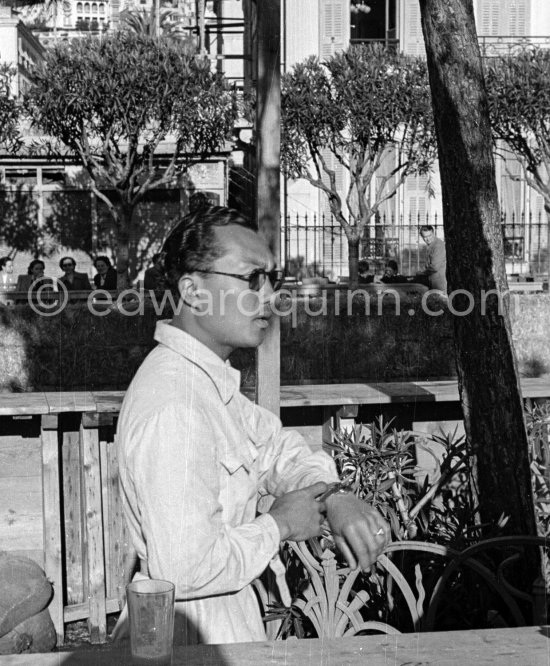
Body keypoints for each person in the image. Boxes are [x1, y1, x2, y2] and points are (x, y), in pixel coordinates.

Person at [114, 206, 389, 646]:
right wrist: (279, 525)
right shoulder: (176, 407)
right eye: (251, 279)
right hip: (192, 641)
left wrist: (332, 495)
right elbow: (184, 571)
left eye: (272, 280)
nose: (269, 297)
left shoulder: (205, 382)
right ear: (194, 290)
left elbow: (276, 447)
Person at [415, 225, 447, 292]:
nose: (427, 239)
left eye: (429, 236)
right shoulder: (431, 245)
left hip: (438, 283)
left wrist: (422, 273)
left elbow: (434, 267)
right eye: (425, 237)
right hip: (432, 281)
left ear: (433, 233)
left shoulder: (438, 245)